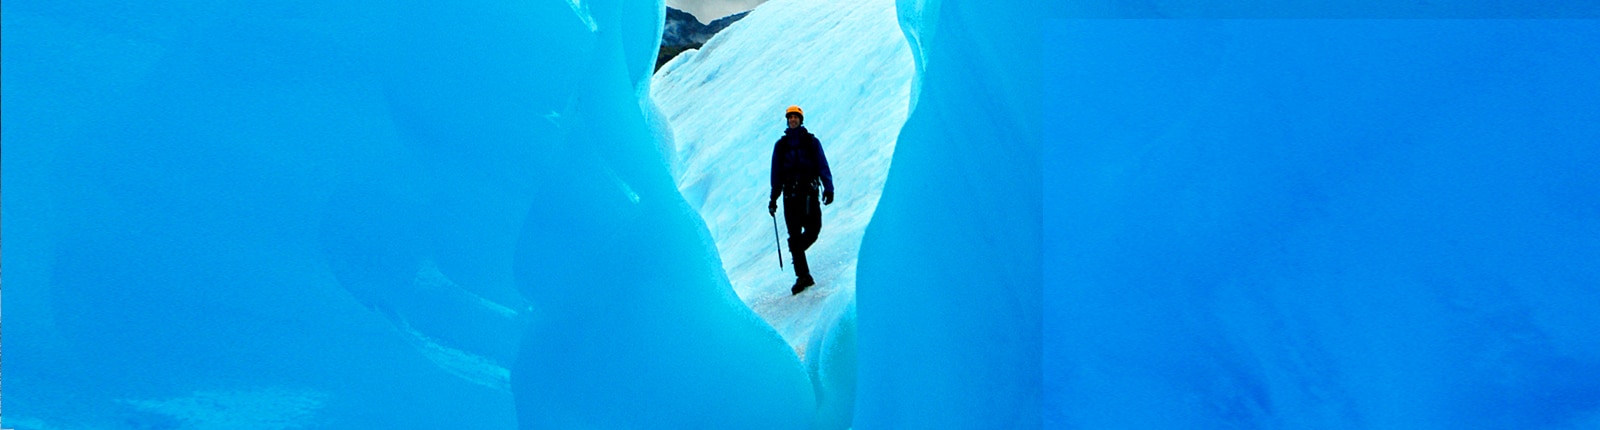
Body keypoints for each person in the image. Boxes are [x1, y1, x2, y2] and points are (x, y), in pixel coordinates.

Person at [768, 105, 834, 295]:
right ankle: (802, 276)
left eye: (796, 117)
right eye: (790, 118)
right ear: (787, 121)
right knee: (795, 236)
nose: (793, 120)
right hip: (790, 197)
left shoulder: (811, 142)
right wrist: (774, 198)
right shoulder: (780, 146)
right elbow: (776, 174)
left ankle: (796, 251)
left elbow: (822, 164)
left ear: (801, 120)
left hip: (809, 195)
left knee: (814, 230)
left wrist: (828, 188)